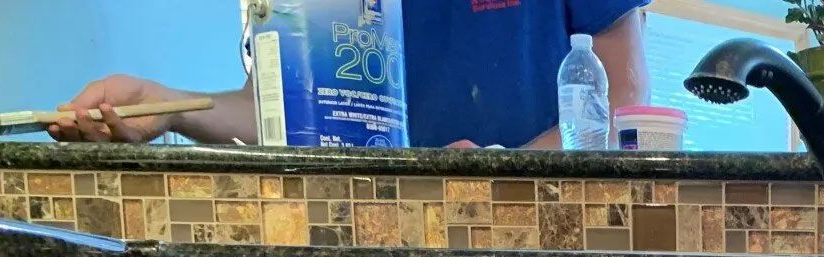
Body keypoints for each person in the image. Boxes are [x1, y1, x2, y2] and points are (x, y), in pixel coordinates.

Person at [51, 0, 650, 150]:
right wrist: (166, 105)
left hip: (547, 228)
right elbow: (296, 113)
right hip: (385, 235)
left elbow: (623, 103)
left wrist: (500, 174)